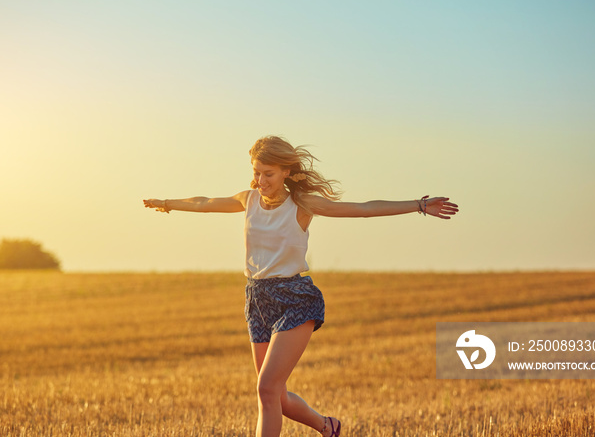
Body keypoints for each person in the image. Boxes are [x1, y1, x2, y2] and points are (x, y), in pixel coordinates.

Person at [143, 136, 459, 437]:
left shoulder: (302, 204)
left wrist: (418, 204)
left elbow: (362, 208)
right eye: (255, 172)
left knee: (265, 389)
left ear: (286, 172)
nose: (260, 180)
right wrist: (166, 203)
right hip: (256, 301)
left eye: (268, 174)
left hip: (295, 300)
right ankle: (326, 426)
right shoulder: (248, 199)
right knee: (275, 396)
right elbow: (206, 202)